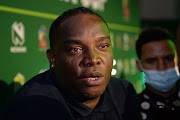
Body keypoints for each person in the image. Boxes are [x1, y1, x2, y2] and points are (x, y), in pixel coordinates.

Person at [1, 7, 140, 120]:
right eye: (76, 49)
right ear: (52, 58)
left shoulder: (123, 91)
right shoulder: (33, 107)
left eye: (102, 46)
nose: (92, 59)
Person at [135, 27, 180, 120]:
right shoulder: (131, 110)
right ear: (139, 66)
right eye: (152, 61)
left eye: (168, 58)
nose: (162, 67)